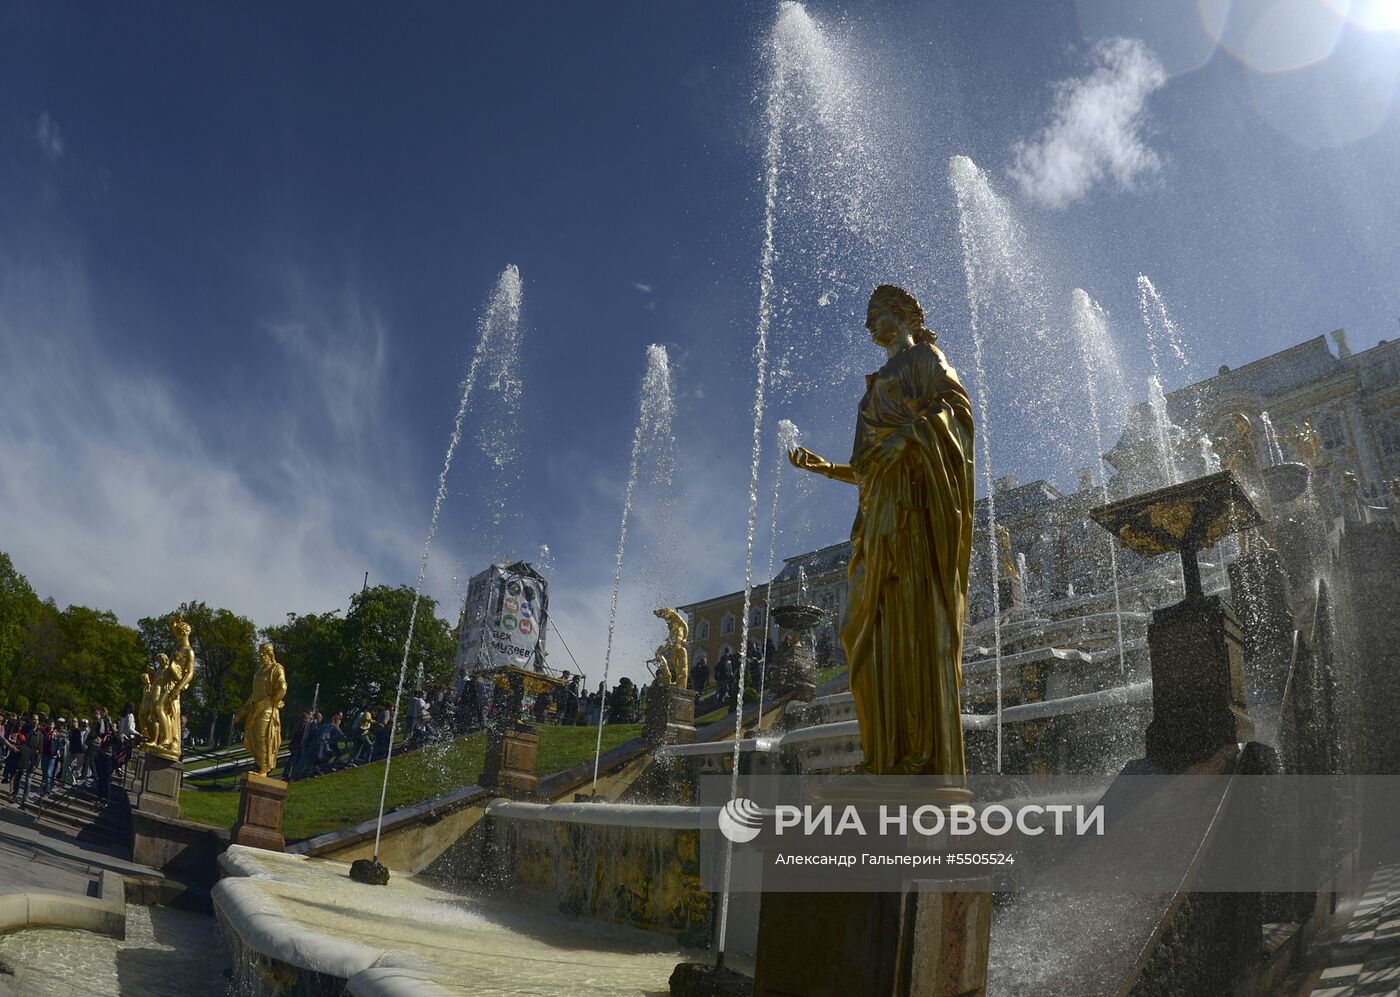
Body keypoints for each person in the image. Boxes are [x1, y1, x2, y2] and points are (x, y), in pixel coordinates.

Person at [789, 284, 975, 777]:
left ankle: (919, 754)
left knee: (915, 627)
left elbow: (957, 414)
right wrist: (825, 468)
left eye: (876, 314)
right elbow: (865, 467)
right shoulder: (871, 389)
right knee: (862, 632)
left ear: (903, 315)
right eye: (868, 317)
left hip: (915, 511)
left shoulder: (926, 360)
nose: (868, 324)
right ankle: (883, 754)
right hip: (876, 518)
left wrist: (911, 440)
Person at [67, 719, 88, 786]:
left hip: (84, 752)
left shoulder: (89, 732)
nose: (84, 726)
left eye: (85, 725)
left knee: (79, 768)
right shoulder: (77, 731)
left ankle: (78, 782)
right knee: (68, 765)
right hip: (76, 751)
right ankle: (74, 780)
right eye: (83, 724)